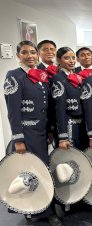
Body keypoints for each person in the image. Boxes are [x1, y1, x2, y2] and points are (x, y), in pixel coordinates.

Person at [3, 40, 62, 226]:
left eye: (32, 52)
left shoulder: (40, 75)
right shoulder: (14, 76)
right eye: (24, 52)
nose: (29, 56)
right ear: (18, 55)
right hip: (27, 133)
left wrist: (50, 130)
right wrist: (18, 138)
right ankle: (44, 211)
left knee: (41, 169)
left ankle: (40, 207)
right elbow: (13, 111)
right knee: (35, 171)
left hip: (41, 132)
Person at [51, 47, 87, 151]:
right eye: (66, 58)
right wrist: (63, 136)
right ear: (58, 60)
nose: (71, 61)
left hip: (81, 126)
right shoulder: (58, 78)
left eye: (73, 58)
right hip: (69, 125)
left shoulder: (77, 77)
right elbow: (59, 107)